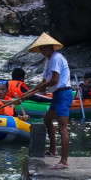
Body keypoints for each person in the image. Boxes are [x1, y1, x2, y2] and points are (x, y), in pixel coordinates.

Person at [29, 31, 72, 169]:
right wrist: (27, 94)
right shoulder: (49, 62)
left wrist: (43, 86)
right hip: (56, 95)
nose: (42, 50)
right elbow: (43, 82)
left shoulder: (56, 58)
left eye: (43, 47)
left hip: (63, 94)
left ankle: (64, 162)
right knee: (47, 119)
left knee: (62, 129)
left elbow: (55, 79)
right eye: (40, 48)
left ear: (51, 46)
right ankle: (53, 150)